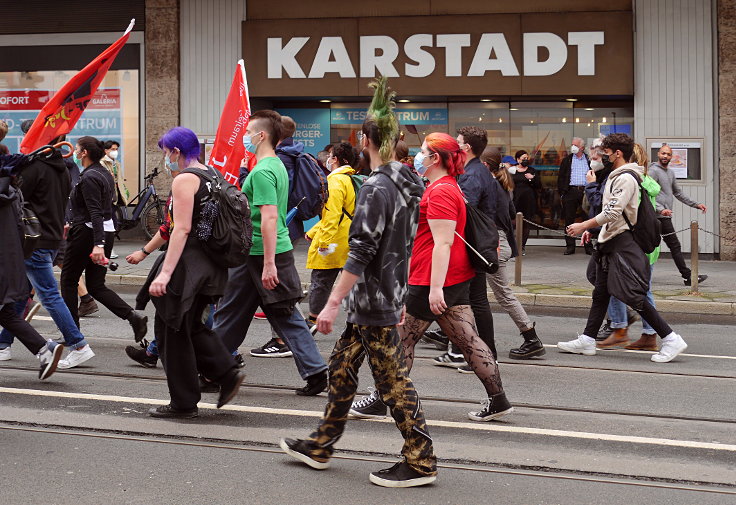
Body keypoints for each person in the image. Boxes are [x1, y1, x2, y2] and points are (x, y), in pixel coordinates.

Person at [280, 78, 437, 488]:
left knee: (393, 382)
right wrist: (399, 293)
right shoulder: (409, 180)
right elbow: (403, 240)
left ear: (364, 139)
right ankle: (322, 443)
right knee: (342, 366)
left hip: (373, 301)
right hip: (386, 294)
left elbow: (363, 249)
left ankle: (421, 461)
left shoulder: (376, 186)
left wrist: (332, 302)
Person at [350, 132, 513, 422]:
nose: (418, 155)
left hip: (431, 279)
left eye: (423, 151)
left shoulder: (441, 191)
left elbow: (443, 242)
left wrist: (435, 288)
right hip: (448, 277)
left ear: (436, 158)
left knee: (401, 340)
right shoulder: (446, 186)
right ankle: (498, 399)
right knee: (468, 339)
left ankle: (381, 397)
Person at [212, 110, 328, 396]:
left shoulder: (263, 170)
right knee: (235, 313)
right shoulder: (273, 164)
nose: (245, 137)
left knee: (278, 312)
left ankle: (315, 372)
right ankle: (214, 368)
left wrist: (268, 265)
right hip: (261, 252)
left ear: (261, 135)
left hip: (263, 253)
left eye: (248, 132)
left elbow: (269, 217)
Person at [559, 133, 688, 364]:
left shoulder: (626, 178)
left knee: (633, 296)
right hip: (612, 242)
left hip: (623, 244)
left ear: (618, 153)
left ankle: (670, 338)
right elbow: (613, 214)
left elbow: (612, 212)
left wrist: (584, 225)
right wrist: (597, 231)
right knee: (600, 292)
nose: (600, 157)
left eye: (605, 153)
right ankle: (588, 339)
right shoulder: (617, 175)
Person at [144, 127, 243, 417]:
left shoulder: (185, 179)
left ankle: (184, 403)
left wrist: (165, 273)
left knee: (170, 330)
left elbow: (182, 228)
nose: (166, 160)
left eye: (166, 153)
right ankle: (226, 372)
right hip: (212, 264)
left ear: (176, 152)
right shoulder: (213, 175)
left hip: (189, 266)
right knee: (193, 326)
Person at [0, 123, 95, 369]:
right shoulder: (60, 167)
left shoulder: (34, 168)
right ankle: (4, 344)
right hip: (51, 235)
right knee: (21, 293)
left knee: (49, 294)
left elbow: (16, 196)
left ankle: (79, 344)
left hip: (33, 239)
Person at [60, 136, 148, 360]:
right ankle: (133, 317)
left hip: (88, 234)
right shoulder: (103, 173)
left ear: (85, 153)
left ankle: (73, 334)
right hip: (104, 232)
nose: (76, 152)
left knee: (69, 281)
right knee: (97, 285)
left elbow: (95, 211)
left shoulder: (90, 176)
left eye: (78, 149)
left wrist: (97, 244)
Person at [430, 126, 498, 369]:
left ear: (466, 147)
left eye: (458, 142)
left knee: (474, 300)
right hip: (480, 240)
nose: (455, 145)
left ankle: (478, 353)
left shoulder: (470, 175)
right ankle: (465, 350)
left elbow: (462, 212)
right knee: (471, 299)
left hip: (473, 243)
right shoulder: (479, 171)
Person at [0, 125, 63, 379]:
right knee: (5, 313)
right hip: (10, 258)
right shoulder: (10, 180)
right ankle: (43, 348)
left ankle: (48, 348)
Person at [482, 147, 545, 359]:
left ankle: (531, 338)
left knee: (504, 295)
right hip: (497, 243)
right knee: (466, 291)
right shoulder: (501, 184)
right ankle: (450, 334)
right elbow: (510, 213)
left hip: (493, 245)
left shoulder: (489, 185)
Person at [304, 142, 357, 330]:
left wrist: (323, 241)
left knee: (320, 281)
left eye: (329, 155)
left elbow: (333, 214)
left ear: (335, 159)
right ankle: (357, 323)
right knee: (350, 283)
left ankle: (313, 320)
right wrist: (313, 232)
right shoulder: (349, 179)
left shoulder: (335, 181)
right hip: (346, 238)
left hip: (334, 241)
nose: (326, 158)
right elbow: (341, 213)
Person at [648, 144, 708, 286]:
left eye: (668, 154)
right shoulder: (653, 171)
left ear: (671, 156)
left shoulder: (670, 173)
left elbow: (678, 193)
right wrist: (660, 209)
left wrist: (696, 204)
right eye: (663, 153)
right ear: (658, 154)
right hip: (657, 216)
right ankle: (688, 276)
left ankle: (687, 276)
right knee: (672, 245)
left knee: (653, 246)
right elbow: (647, 193)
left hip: (664, 216)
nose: (665, 156)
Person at [558, 137, 591, 255]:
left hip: (586, 192)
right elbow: (561, 177)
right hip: (570, 191)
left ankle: (588, 245)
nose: (573, 147)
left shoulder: (589, 159)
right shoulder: (567, 160)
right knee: (569, 219)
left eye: (575, 145)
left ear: (582, 147)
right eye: (572, 144)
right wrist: (562, 193)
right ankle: (570, 246)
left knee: (587, 219)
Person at [510, 150, 540, 254]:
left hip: (528, 201)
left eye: (527, 158)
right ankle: (513, 245)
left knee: (526, 224)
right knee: (513, 222)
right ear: (518, 159)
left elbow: (539, 185)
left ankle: (522, 246)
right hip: (515, 200)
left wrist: (532, 179)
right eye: (523, 159)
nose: (525, 160)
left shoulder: (531, 170)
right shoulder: (512, 170)